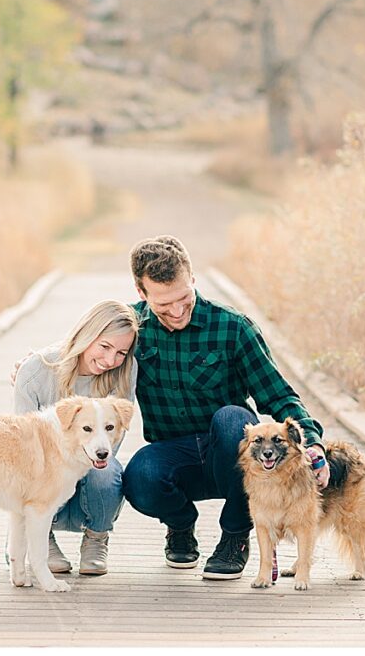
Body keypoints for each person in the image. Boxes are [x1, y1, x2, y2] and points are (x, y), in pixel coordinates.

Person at [121, 235, 329, 581]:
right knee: (139, 477)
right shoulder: (131, 327)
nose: (176, 312)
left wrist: (313, 444)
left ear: (193, 279)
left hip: (233, 456)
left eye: (184, 299)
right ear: (141, 293)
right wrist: (35, 366)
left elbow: (279, 396)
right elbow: (85, 355)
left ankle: (235, 537)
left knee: (234, 419)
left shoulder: (233, 327)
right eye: (163, 305)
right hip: (175, 455)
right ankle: (180, 527)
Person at [13, 299, 138, 576]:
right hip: (43, 474)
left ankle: (97, 537)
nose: (110, 360)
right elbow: (22, 447)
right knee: (42, 471)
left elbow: (113, 440)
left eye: (120, 352)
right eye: (104, 346)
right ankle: (38, 539)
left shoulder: (126, 371)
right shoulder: (36, 371)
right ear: (86, 334)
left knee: (106, 472)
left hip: (90, 468)